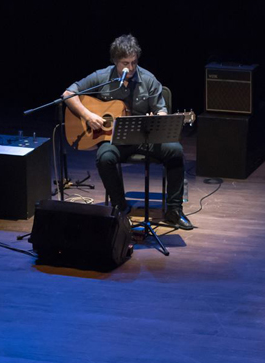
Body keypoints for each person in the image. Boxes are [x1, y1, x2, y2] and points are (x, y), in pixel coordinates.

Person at [62, 34, 193, 230]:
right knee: (104, 157)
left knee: (175, 150)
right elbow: (68, 94)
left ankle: (174, 210)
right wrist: (88, 115)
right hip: (114, 139)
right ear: (115, 61)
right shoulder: (102, 77)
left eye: (133, 62)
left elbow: (162, 110)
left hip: (145, 138)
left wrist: (157, 119)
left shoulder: (148, 80)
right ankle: (120, 208)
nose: (130, 68)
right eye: (125, 63)